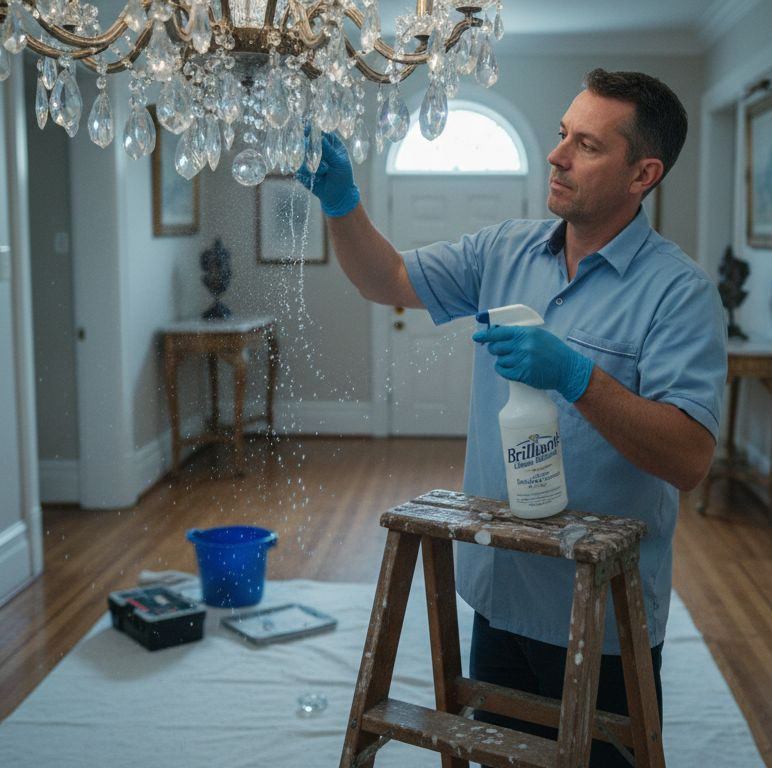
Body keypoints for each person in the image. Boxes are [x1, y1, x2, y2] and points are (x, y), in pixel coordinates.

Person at [298, 69, 726, 766]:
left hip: (599, 610)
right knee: (502, 756)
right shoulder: (503, 250)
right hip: (500, 586)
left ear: (643, 173)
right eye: (562, 135)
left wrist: (577, 376)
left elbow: (689, 459)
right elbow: (386, 281)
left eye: (586, 145)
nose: (557, 155)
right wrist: (344, 203)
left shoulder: (679, 294)